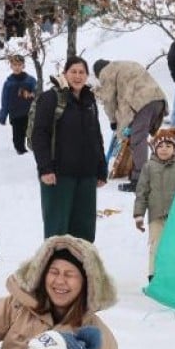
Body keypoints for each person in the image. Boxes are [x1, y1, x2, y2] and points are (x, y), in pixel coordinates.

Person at [33, 57, 107, 241]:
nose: (77, 76)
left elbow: (96, 136)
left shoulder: (89, 100)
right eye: (73, 71)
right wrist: (45, 168)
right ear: (65, 73)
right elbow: (39, 134)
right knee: (57, 231)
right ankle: (55, 268)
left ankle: (80, 268)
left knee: (84, 231)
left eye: (82, 72)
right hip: (59, 176)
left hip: (86, 176)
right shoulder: (51, 98)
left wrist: (101, 168)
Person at [93, 58, 166, 191]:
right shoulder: (127, 64)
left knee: (137, 140)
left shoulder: (106, 72)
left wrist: (113, 122)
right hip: (158, 100)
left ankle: (140, 180)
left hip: (142, 103)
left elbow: (108, 100)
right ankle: (140, 173)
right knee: (136, 138)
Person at [133, 133, 175, 280]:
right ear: (154, 149)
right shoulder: (148, 167)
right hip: (156, 216)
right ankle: (153, 275)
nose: (164, 149)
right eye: (160, 146)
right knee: (156, 245)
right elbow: (142, 192)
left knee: (174, 246)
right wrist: (138, 215)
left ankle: (172, 275)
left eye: (168, 146)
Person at [0, 54, 37, 156]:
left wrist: (31, 94)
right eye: (14, 65)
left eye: (19, 64)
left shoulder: (30, 80)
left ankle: (33, 150)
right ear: (11, 66)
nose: (17, 67)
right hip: (15, 114)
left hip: (29, 113)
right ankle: (20, 151)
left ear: (23, 66)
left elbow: (37, 92)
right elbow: (5, 100)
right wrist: (3, 115)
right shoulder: (8, 83)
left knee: (31, 133)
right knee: (18, 135)